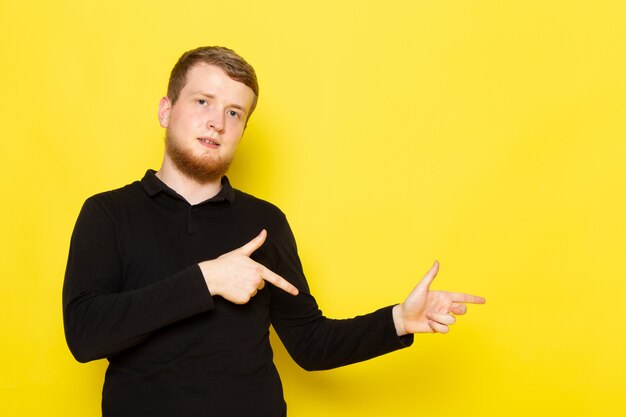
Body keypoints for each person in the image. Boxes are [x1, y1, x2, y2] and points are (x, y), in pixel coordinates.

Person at [63, 46, 486, 417]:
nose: (217, 123)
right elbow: (85, 335)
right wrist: (208, 279)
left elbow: (310, 343)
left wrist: (398, 320)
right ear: (166, 110)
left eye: (234, 112)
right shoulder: (108, 214)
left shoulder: (264, 222)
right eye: (203, 102)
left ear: (242, 130)